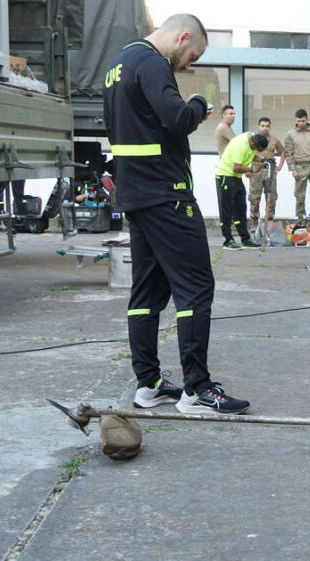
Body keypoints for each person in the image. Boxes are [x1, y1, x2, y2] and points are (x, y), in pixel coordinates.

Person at [103, 13, 250, 415]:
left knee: (146, 293)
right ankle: (197, 390)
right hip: (167, 195)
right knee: (195, 288)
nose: (187, 64)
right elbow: (179, 119)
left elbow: (129, 127)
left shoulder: (117, 65)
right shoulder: (153, 62)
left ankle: (148, 384)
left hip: (135, 195)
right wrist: (199, 103)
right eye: (192, 56)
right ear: (182, 37)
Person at [216, 132, 269, 250]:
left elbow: (252, 155)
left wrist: (263, 161)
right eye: (258, 149)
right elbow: (236, 167)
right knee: (226, 210)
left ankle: (245, 239)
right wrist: (252, 169)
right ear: (253, 143)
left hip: (236, 178)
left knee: (240, 208)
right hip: (225, 176)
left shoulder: (252, 139)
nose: (257, 151)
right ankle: (228, 240)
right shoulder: (241, 145)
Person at [284, 109, 310, 225]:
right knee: (299, 195)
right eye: (298, 121)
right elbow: (288, 153)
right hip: (299, 166)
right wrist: (292, 169)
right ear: (295, 121)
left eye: (303, 121)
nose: (301, 123)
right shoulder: (290, 134)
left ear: (307, 119)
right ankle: (301, 218)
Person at [248, 117, 285, 231]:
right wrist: (247, 169)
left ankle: (269, 221)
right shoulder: (253, 139)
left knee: (271, 196)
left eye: (267, 126)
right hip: (256, 169)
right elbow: (246, 153)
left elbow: (283, 152)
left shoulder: (274, 139)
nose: (265, 128)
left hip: (270, 168)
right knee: (254, 198)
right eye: (262, 126)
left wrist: (279, 167)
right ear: (258, 126)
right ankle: (254, 223)